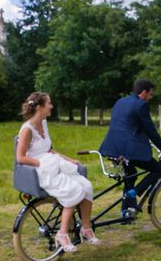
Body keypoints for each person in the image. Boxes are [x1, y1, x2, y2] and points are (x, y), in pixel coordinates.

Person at [16, 92, 100, 252]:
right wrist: (42, 163)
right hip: (41, 170)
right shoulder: (27, 129)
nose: (52, 106)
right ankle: (62, 234)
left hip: (53, 164)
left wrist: (68, 159)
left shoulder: (44, 123)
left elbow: (49, 150)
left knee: (87, 186)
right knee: (74, 190)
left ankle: (86, 228)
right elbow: (20, 157)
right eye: (49, 103)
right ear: (40, 107)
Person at [99, 79, 161, 217]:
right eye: (150, 94)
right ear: (144, 93)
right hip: (127, 149)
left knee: (130, 175)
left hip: (112, 147)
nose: (150, 98)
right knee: (157, 169)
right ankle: (132, 193)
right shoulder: (141, 105)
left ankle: (125, 212)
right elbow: (151, 131)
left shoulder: (120, 102)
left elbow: (126, 125)